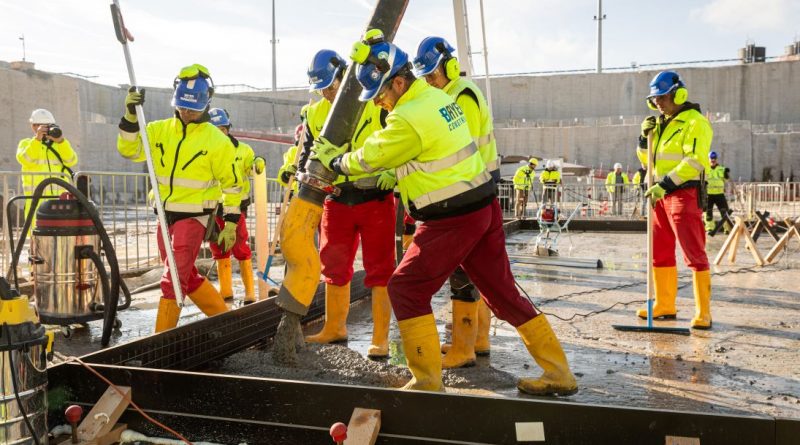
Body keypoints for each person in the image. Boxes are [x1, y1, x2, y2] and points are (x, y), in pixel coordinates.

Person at [313, 30, 577, 395]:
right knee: (502, 293)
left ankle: (426, 381)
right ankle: (559, 372)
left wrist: (334, 160)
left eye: (381, 94)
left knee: (405, 289)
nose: (378, 104)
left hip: (451, 217)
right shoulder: (437, 98)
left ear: (400, 82)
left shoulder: (406, 117)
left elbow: (369, 157)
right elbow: (426, 151)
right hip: (481, 207)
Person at [117, 64, 241, 332]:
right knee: (186, 275)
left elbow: (232, 185)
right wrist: (129, 116)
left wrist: (231, 221)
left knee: (173, 277)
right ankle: (226, 321)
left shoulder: (217, 141)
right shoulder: (157, 130)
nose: (187, 114)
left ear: (206, 104)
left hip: (194, 217)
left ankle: (160, 340)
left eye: (193, 109)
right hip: (164, 214)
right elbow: (130, 150)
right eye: (183, 107)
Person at [300, 49, 396, 359]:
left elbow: (399, 138)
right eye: (323, 89)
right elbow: (307, 155)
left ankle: (380, 338)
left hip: (375, 198)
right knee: (334, 267)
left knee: (380, 270)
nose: (327, 94)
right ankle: (334, 328)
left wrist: (393, 171)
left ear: (344, 77)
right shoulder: (314, 114)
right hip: (337, 200)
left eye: (331, 86)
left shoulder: (372, 101)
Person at [413, 36, 497, 368]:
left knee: (465, 271)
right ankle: (475, 340)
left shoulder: (462, 96)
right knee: (474, 268)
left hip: (471, 190)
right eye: (426, 78)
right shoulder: (449, 95)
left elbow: (462, 151)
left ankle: (466, 347)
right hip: (474, 188)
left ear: (449, 66)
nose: (429, 82)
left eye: (432, 76)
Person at [637, 70, 713, 329]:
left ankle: (704, 312)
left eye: (662, 98)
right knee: (659, 252)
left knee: (694, 252)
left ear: (679, 94)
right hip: (658, 194)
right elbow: (648, 162)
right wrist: (642, 140)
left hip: (682, 193)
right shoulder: (660, 124)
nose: (658, 103)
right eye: (654, 99)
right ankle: (664, 304)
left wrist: (666, 184)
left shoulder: (695, 122)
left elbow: (695, 161)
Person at [207, 108, 265, 304]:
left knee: (240, 246)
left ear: (228, 129)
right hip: (213, 207)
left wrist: (257, 162)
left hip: (236, 207)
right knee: (219, 247)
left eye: (222, 129)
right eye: (215, 130)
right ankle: (226, 292)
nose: (219, 133)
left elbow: (250, 165)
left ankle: (250, 292)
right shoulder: (205, 150)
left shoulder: (243, 150)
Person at [17, 109, 78, 223]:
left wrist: (61, 142)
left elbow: (71, 161)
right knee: (36, 232)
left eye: (49, 126)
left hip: (59, 200)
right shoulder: (26, 143)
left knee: (60, 233)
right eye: (41, 126)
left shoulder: (60, 144)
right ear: (33, 127)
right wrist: (37, 140)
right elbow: (26, 159)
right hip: (36, 199)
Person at [705, 151, 730, 235]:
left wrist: (726, 174)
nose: (713, 160)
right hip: (708, 195)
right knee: (708, 213)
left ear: (717, 159)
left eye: (714, 158)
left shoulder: (722, 169)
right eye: (711, 158)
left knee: (725, 212)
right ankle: (709, 228)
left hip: (719, 195)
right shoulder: (705, 169)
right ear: (708, 159)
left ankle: (727, 229)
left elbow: (727, 180)